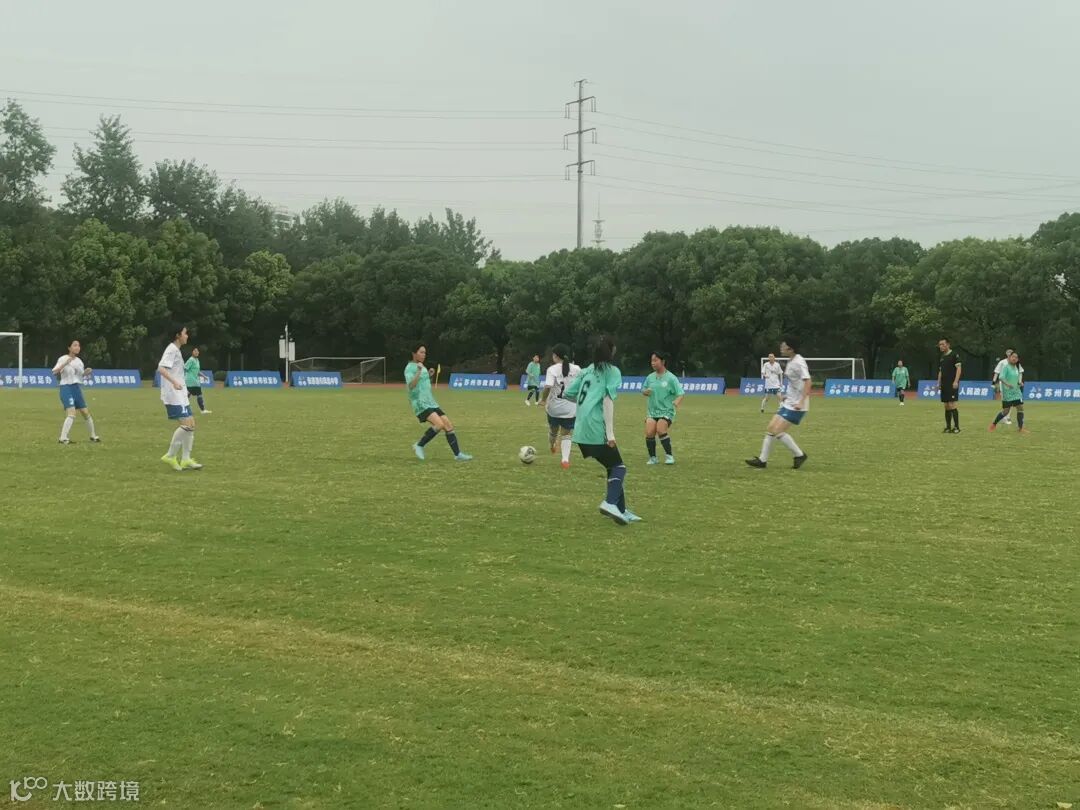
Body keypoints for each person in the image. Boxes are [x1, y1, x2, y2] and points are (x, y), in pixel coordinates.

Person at [565, 335, 640, 524]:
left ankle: (621, 510)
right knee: (619, 468)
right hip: (596, 427)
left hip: (581, 428)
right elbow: (607, 400)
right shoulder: (612, 371)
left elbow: (568, 394)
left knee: (612, 465)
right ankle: (610, 503)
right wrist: (610, 433)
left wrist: (585, 407)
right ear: (612, 351)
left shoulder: (586, 370)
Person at [745, 338, 810, 469]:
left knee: (777, 430)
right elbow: (795, 383)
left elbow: (808, 381)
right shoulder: (791, 361)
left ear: (790, 349)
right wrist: (787, 395)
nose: (781, 347)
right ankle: (762, 460)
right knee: (771, 428)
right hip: (789, 402)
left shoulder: (799, 362)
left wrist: (801, 401)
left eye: (784, 345)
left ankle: (799, 455)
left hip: (797, 405)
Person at [407, 344, 472, 461]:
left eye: (425, 353)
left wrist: (429, 375)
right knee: (439, 425)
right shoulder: (410, 368)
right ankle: (419, 445)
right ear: (414, 353)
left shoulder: (422, 367)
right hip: (420, 403)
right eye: (421, 352)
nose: (423, 355)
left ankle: (457, 454)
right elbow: (411, 385)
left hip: (431, 402)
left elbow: (423, 382)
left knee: (448, 425)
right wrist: (419, 371)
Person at [158, 325, 203, 471]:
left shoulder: (176, 350)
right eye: (185, 333)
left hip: (181, 394)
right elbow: (161, 368)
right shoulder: (171, 349)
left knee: (191, 424)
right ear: (178, 335)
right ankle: (170, 455)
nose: (187, 336)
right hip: (173, 394)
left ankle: (185, 459)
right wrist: (175, 382)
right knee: (187, 425)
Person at [51, 339, 101, 445]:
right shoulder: (63, 359)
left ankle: (93, 436)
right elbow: (54, 372)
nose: (77, 347)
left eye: (78, 345)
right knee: (72, 413)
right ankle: (63, 438)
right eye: (75, 345)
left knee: (85, 412)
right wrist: (65, 363)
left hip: (76, 388)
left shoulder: (79, 361)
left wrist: (86, 372)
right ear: (69, 348)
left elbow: (80, 375)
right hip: (66, 387)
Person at [539, 344, 581, 470]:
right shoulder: (577, 369)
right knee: (566, 433)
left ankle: (552, 445)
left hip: (554, 408)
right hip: (570, 407)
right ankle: (565, 460)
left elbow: (548, 386)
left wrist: (543, 400)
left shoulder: (552, 369)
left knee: (553, 430)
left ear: (556, 356)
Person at [642, 350, 684, 465]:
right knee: (649, 432)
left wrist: (676, 402)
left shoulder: (671, 378)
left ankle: (669, 456)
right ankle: (653, 458)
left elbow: (681, 393)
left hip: (667, 411)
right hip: (652, 411)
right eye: (652, 361)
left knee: (661, 429)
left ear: (663, 361)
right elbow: (643, 390)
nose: (653, 363)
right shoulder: (650, 377)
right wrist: (645, 392)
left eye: (655, 360)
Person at [989, 351, 1029, 434]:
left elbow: (1017, 377)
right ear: (1009, 358)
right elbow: (1001, 377)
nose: (1014, 358)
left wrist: (1020, 382)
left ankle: (1020, 428)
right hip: (1007, 392)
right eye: (1013, 357)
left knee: (1020, 408)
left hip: (1016, 392)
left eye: (1016, 357)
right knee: (1006, 411)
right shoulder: (1006, 367)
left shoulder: (1017, 367)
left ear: (1018, 359)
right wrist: (1008, 384)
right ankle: (994, 424)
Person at [937, 338, 962, 433]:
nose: (941, 346)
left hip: (951, 383)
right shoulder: (942, 357)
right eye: (940, 345)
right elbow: (940, 371)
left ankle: (957, 427)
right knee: (946, 405)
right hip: (944, 384)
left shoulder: (954, 355)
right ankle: (948, 427)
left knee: (952, 404)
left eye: (943, 344)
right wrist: (938, 382)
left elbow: (959, 369)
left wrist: (956, 381)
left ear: (948, 344)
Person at [185, 347, 212, 415]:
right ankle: (202, 410)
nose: (196, 352)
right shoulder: (191, 360)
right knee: (198, 395)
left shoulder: (197, 360)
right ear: (192, 352)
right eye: (195, 351)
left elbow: (197, 371)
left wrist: (204, 376)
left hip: (195, 381)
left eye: (197, 351)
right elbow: (185, 368)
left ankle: (185, 410)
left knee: (187, 395)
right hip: (191, 381)